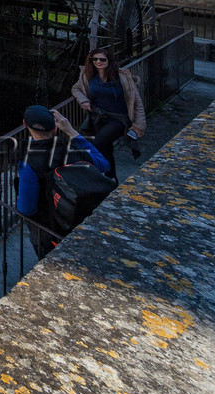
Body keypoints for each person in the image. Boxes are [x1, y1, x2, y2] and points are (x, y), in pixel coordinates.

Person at [17, 105, 109, 258]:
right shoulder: (73, 150)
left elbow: (26, 209)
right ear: (55, 129)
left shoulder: (28, 163)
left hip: (50, 231)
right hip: (80, 218)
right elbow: (103, 164)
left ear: (25, 125)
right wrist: (71, 131)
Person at [72, 50, 146, 180]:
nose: (98, 62)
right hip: (98, 117)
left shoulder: (122, 76)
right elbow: (76, 88)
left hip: (119, 118)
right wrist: (83, 100)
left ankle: (93, 176)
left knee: (97, 144)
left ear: (109, 61)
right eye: (94, 60)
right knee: (106, 149)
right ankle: (111, 179)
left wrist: (139, 125)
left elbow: (137, 101)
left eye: (102, 60)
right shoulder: (87, 75)